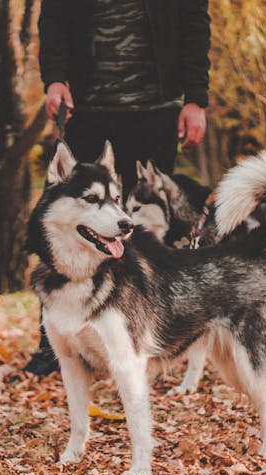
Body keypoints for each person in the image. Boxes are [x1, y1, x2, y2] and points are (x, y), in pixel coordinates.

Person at [24, 0, 211, 375]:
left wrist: (196, 99)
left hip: (157, 109)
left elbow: (194, 23)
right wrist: (55, 78)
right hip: (87, 108)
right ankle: (56, 344)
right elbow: (54, 18)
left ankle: (142, 337)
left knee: (146, 231)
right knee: (71, 223)